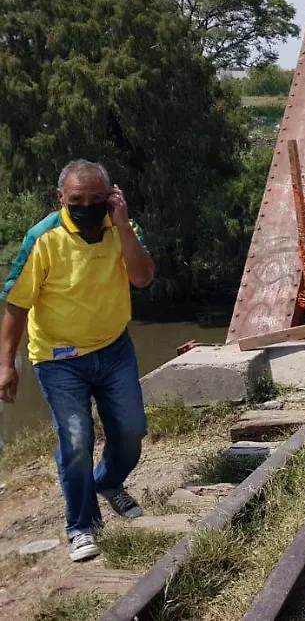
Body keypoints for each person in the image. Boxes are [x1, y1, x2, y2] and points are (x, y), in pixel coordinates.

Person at [0, 160, 155, 562]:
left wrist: (121, 226)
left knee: (133, 430)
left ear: (111, 197)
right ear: (61, 199)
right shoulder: (43, 238)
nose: (87, 206)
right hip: (59, 359)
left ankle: (107, 482)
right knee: (75, 440)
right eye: (77, 200)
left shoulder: (121, 229)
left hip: (114, 349)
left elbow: (142, 278)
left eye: (96, 199)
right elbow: (16, 306)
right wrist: (6, 365)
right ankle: (82, 525)